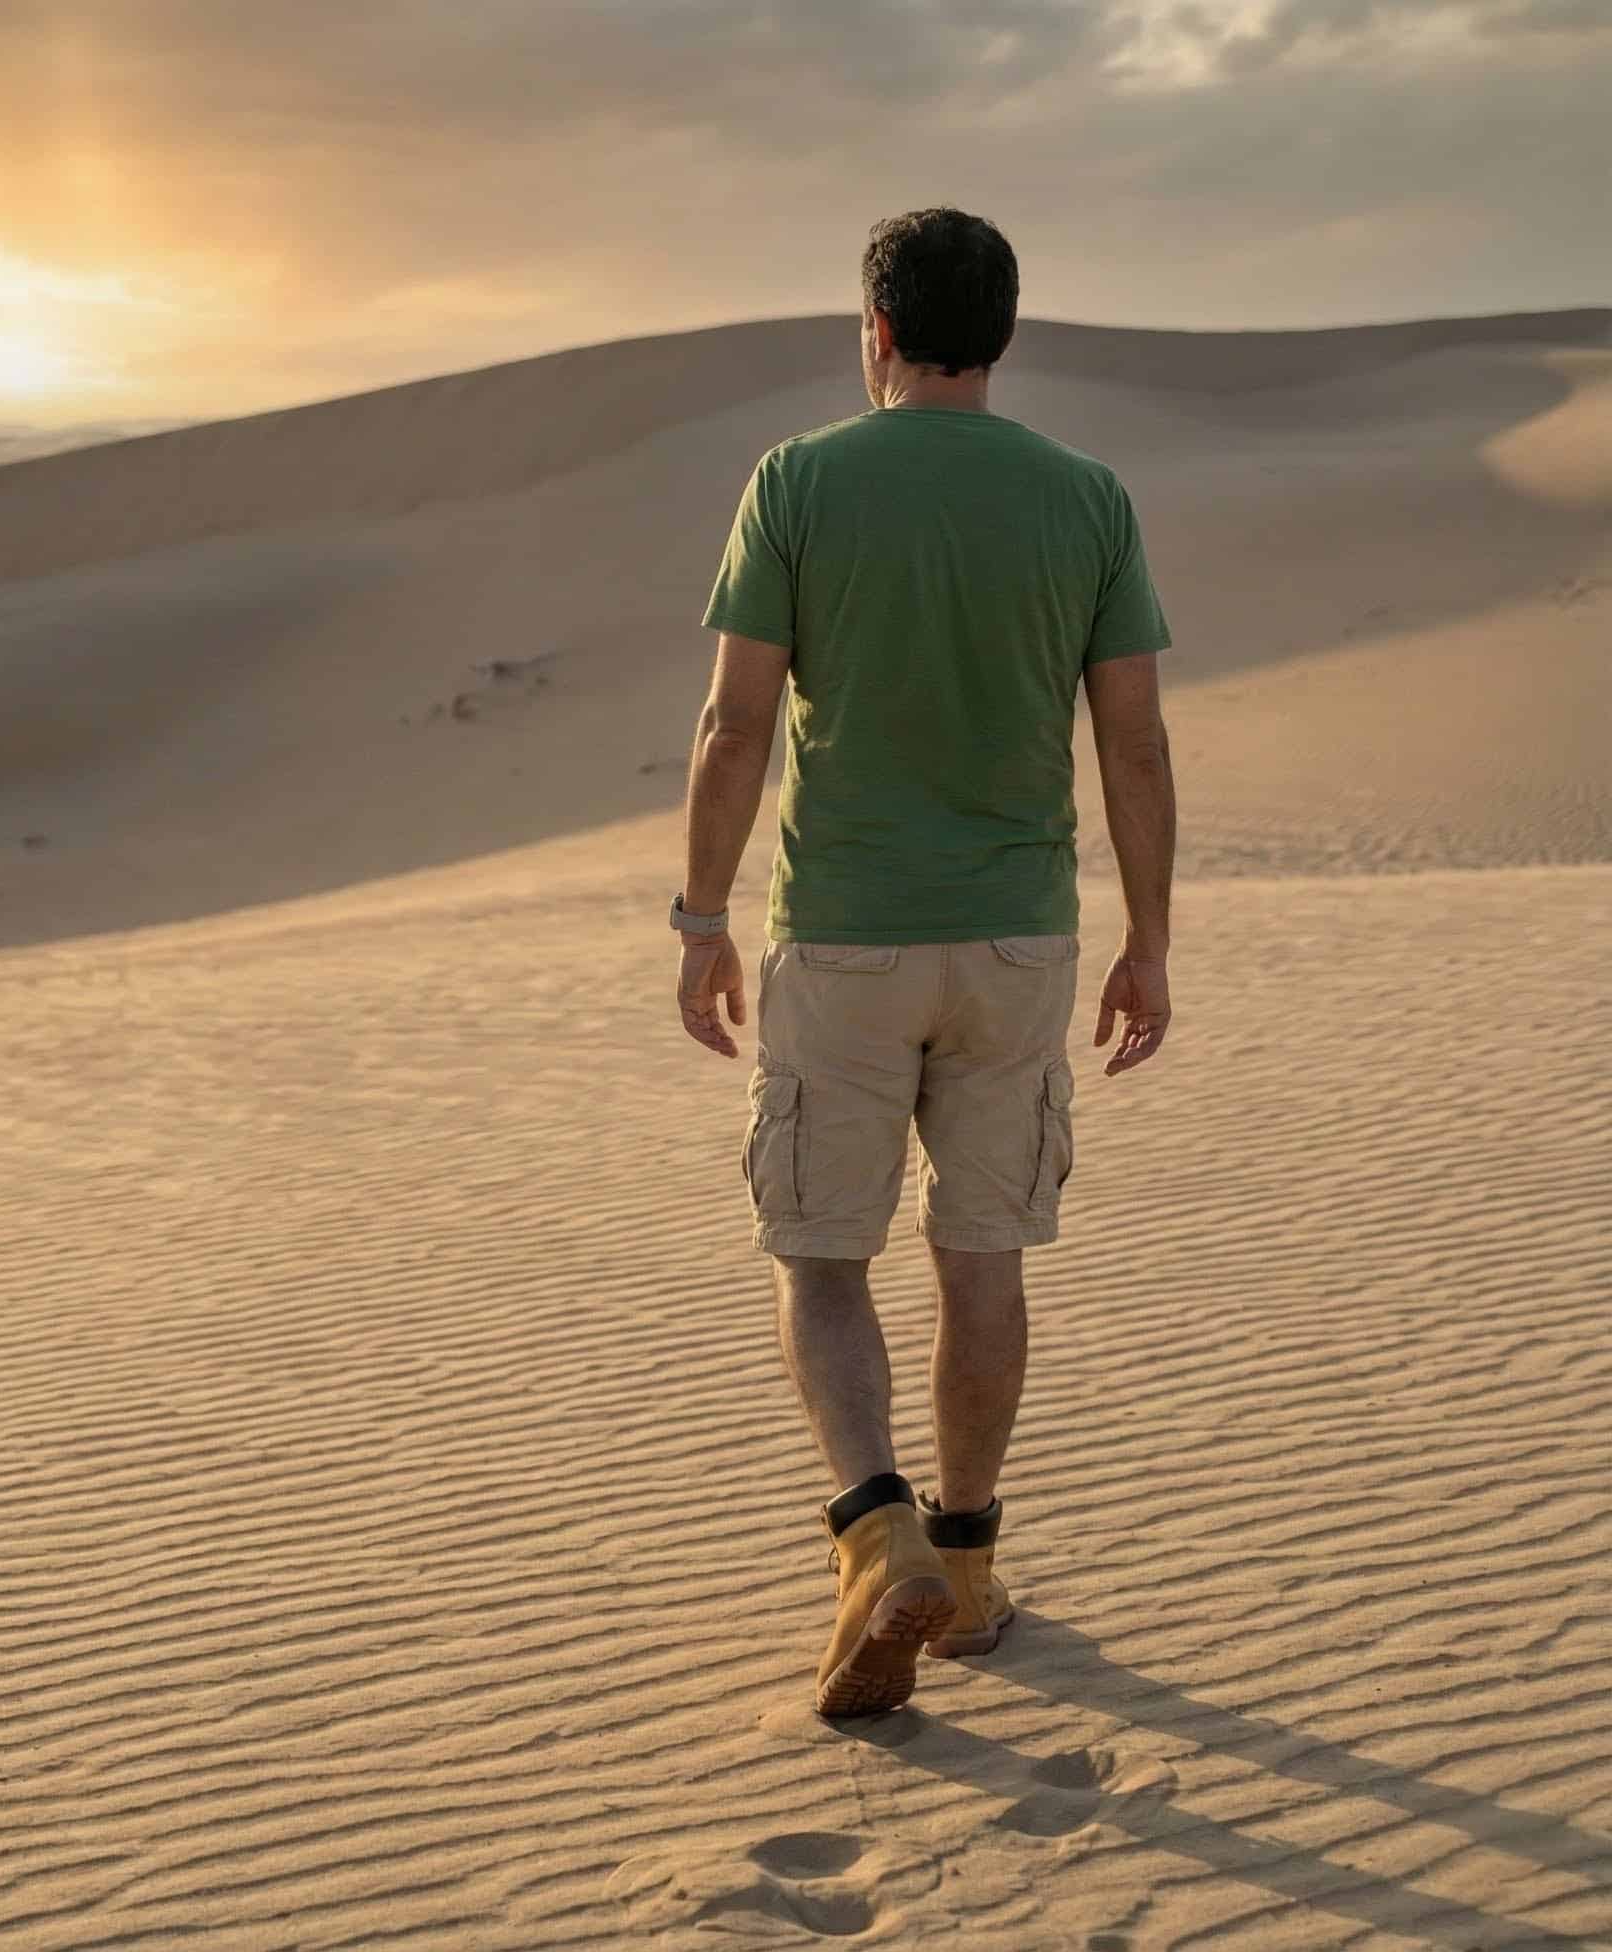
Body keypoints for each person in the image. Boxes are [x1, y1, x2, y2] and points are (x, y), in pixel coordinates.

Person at [672, 208, 1177, 1718]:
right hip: (1017, 940)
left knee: (823, 1256)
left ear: (877, 331)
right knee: (982, 1256)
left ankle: (873, 1530)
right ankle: (965, 1566)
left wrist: (700, 917)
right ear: (1001, 333)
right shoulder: (1086, 496)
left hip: (844, 934)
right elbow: (1134, 742)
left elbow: (735, 727)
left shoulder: (798, 481)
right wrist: (1150, 942)